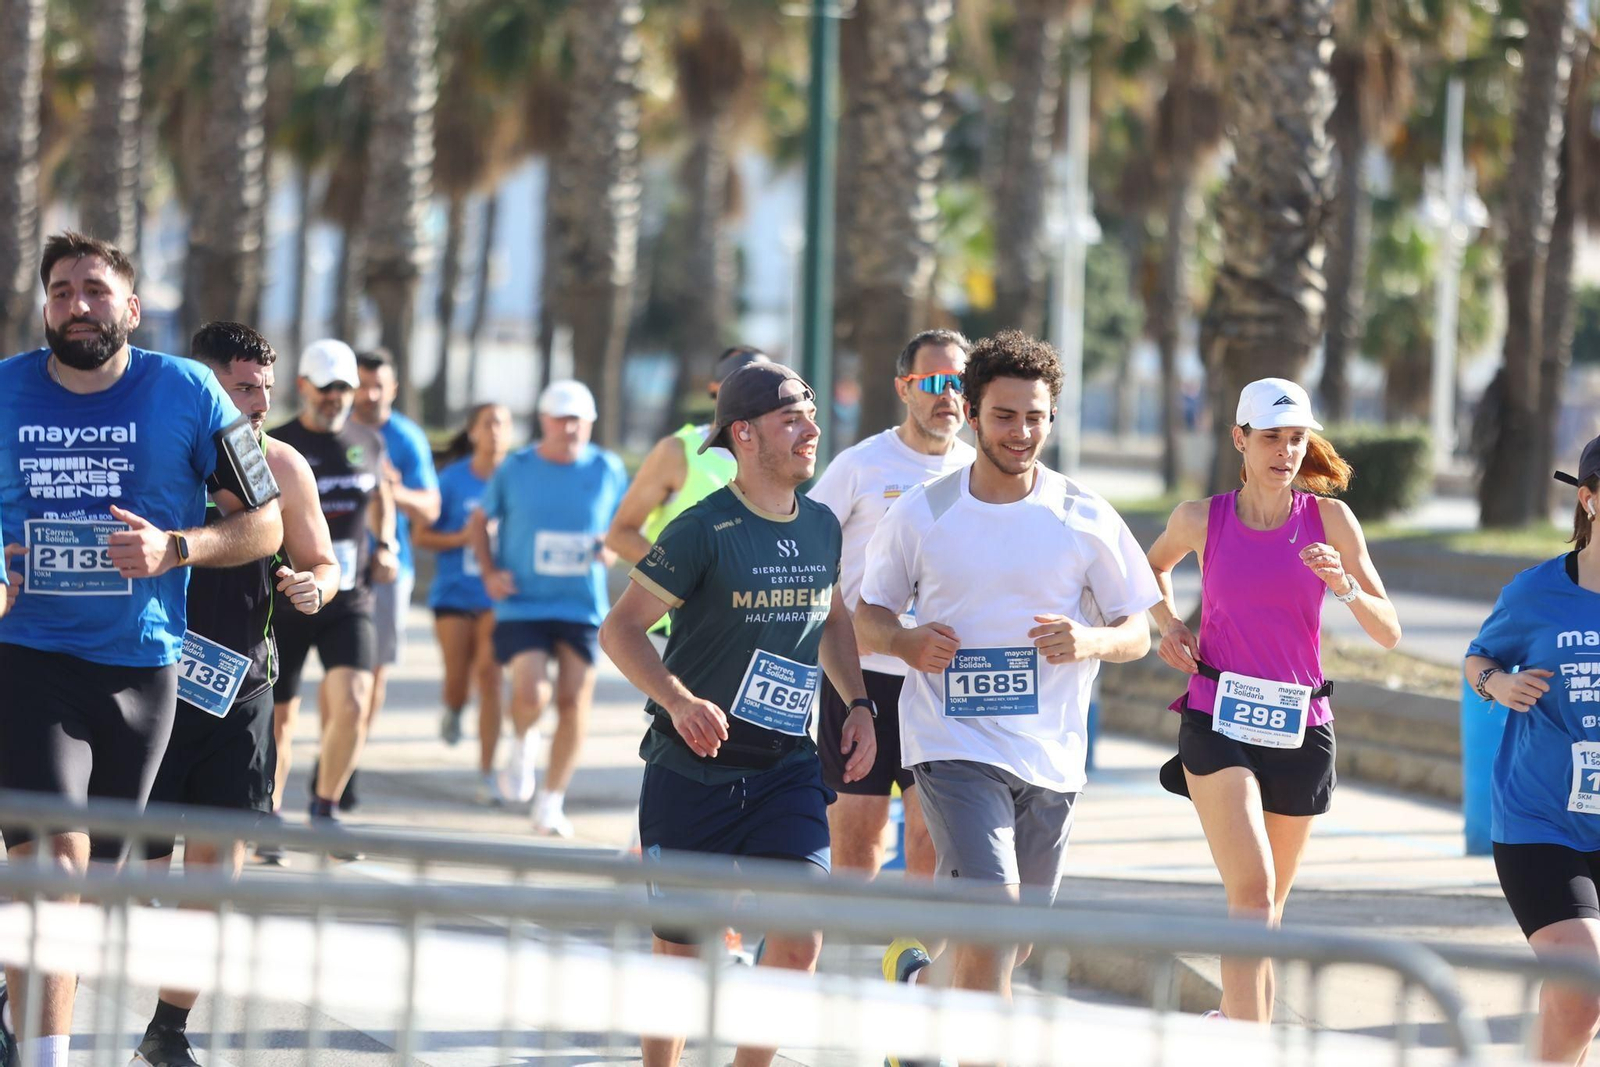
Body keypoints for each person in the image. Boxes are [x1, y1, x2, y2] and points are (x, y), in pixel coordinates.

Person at [0, 232, 284, 1067]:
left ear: (130, 306)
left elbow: (265, 522)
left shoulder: (189, 390)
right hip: (27, 655)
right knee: (57, 861)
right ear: (45, 307)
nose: (77, 305)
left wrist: (176, 549)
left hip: (142, 668)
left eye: (94, 289)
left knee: (91, 889)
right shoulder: (5, 390)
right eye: (61, 291)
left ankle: (17, 1002)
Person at [856, 330, 1158, 1005]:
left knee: (1010, 941)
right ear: (970, 413)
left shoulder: (1083, 514)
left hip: (1051, 755)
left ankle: (919, 988)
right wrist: (904, 643)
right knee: (995, 918)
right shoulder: (923, 511)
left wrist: (1089, 640)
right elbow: (868, 614)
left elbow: (1138, 631)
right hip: (953, 744)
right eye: (1003, 415)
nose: (1020, 432)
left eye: (1034, 417)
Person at [598, 361, 876, 1067]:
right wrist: (678, 699)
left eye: (812, 416)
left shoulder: (822, 526)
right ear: (744, 435)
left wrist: (858, 702)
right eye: (791, 419)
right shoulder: (701, 528)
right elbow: (621, 628)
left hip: (786, 768)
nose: (811, 430)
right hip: (691, 768)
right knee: (683, 950)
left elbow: (832, 617)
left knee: (799, 936)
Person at [1145, 377, 1400, 1022]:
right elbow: (1149, 569)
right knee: (1253, 894)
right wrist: (1169, 626)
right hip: (1217, 717)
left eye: (1296, 439)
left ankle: (1235, 1029)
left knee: (1267, 912)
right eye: (1271, 438)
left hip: (1301, 727)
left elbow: (1388, 631)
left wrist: (1343, 585)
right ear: (1240, 439)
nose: (1286, 452)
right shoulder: (1200, 518)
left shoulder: (1331, 521)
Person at [133, 322, 341, 1067]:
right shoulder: (154, 455)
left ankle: (167, 1032)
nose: (258, 404)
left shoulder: (282, 464)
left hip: (241, 689)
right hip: (147, 686)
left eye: (265, 390)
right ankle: (26, 1004)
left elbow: (325, 561)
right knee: (123, 880)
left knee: (214, 877)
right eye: (242, 388)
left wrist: (315, 586)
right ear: (203, 387)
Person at [808, 329, 974, 880]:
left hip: (942, 682)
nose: (948, 395)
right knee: (858, 837)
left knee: (932, 839)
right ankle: (850, 936)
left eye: (959, 382)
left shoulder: (979, 472)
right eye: (933, 382)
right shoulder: (861, 466)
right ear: (903, 388)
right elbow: (807, 552)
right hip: (862, 679)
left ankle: (914, 939)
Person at [1467, 434, 1600, 1063]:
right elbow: (1479, 658)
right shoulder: (1536, 592)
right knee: (1583, 984)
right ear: (1590, 499)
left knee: (1577, 1001)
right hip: (1542, 823)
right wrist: (1499, 684)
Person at [469, 380, 628, 834]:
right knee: (531, 693)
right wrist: (489, 572)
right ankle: (522, 741)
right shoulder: (516, 468)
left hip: (582, 606)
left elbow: (624, 524)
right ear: (544, 421)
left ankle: (551, 801)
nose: (570, 428)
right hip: (524, 603)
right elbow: (480, 520)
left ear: (591, 423)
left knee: (574, 701)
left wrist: (610, 548)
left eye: (578, 420)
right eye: (561, 419)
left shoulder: (607, 468)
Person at [268, 338, 397, 839]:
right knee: (280, 718)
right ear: (303, 386)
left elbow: (380, 494)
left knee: (355, 700)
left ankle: (326, 807)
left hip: (349, 597)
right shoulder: (277, 445)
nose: (335, 398)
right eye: (325, 388)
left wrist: (386, 545)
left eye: (344, 388)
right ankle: (270, 816)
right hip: (289, 599)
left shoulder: (369, 441)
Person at [416, 403, 512, 803]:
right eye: (488, 424)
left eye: (502, 424)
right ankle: (453, 708)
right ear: (472, 432)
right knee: (457, 679)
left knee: (490, 678)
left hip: (499, 596)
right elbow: (421, 535)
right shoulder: (452, 479)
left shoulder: (519, 477)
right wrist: (464, 538)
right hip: (454, 592)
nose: (495, 431)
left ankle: (487, 774)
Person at [605, 346, 769, 582]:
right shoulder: (677, 451)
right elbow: (620, 534)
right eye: (735, 379)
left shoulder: (778, 455)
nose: (747, 392)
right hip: (678, 606)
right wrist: (682, 578)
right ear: (714, 388)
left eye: (761, 386)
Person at [353, 348, 440, 777]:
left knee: (372, 672)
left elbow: (431, 508)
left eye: (379, 386)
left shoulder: (406, 438)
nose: (370, 394)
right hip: (330, 566)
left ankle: (348, 761)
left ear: (394, 389)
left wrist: (390, 489)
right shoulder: (332, 429)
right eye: (362, 385)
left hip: (387, 571)